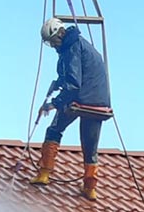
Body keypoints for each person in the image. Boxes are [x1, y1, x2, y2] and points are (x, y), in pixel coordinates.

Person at [29, 17, 111, 200]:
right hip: (100, 104)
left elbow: (74, 84)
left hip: (80, 100)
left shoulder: (71, 48)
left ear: (59, 34)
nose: (53, 46)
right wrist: (57, 83)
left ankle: (44, 173)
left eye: (52, 42)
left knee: (54, 130)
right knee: (90, 146)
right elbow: (78, 75)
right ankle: (90, 187)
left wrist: (54, 103)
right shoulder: (80, 44)